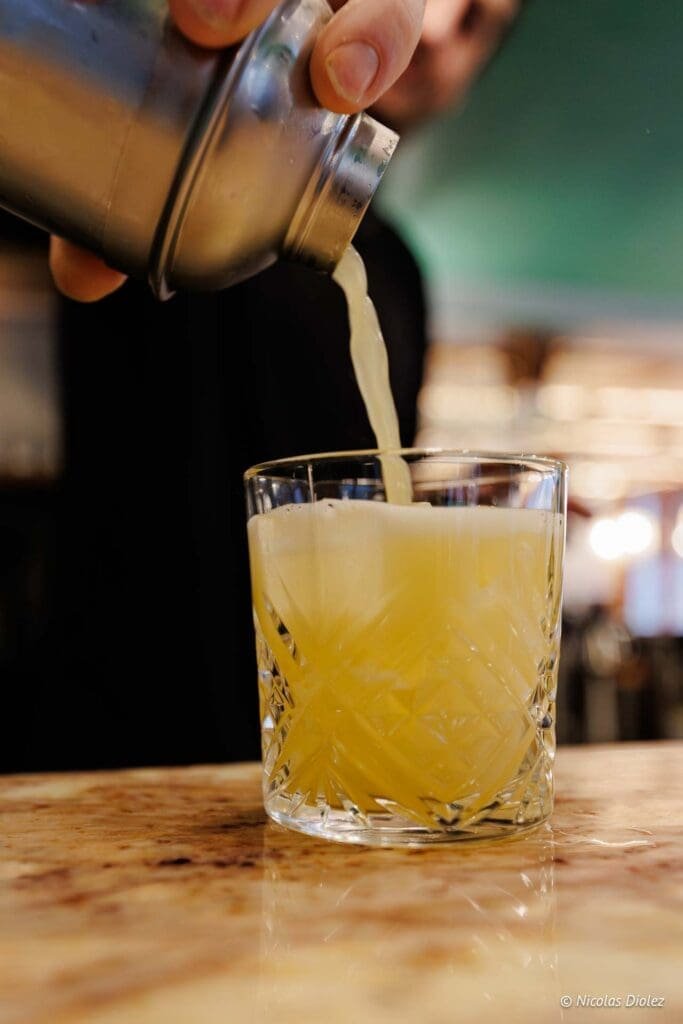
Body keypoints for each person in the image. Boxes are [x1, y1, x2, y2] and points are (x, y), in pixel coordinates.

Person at [7, 0, 520, 772]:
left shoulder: (398, 274)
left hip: (317, 751)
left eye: (478, 21)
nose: (441, 30)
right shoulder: (214, 118)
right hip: (106, 715)